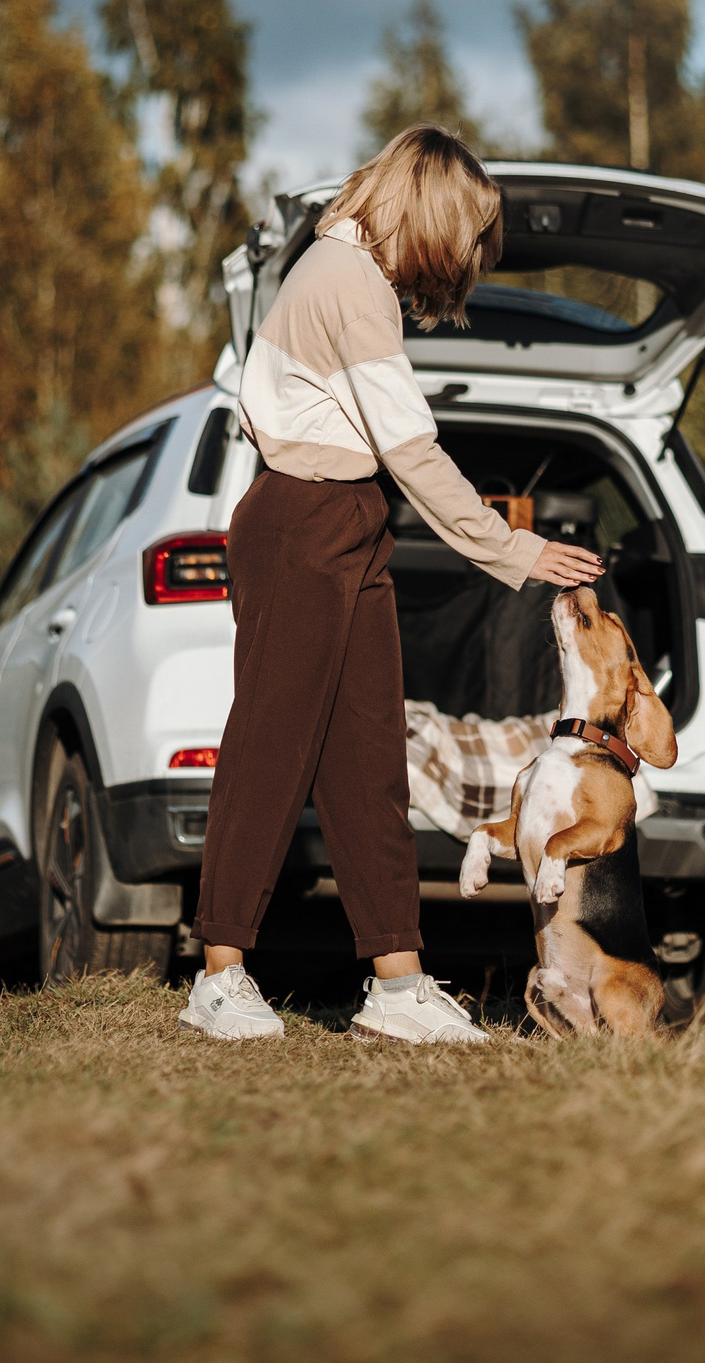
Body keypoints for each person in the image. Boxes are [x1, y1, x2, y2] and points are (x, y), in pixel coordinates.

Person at [181, 126, 606, 1043]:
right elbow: (411, 445)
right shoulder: (345, 279)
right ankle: (218, 971)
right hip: (304, 518)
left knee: (369, 760)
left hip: (346, 519)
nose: (460, 260)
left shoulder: (349, 277)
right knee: (270, 745)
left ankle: (398, 983)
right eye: (462, 235)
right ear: (428, 212)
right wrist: (515, 552)